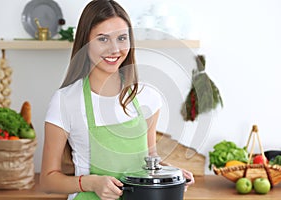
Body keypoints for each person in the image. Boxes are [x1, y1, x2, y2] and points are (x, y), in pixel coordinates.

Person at [40, 0, 194, 199]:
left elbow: (148, 159)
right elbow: (47, 180)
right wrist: (91, 182)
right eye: (103, 39)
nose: (114, 49)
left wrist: (170, 175)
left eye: (122, 38)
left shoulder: (147, 96)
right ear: (85, 43)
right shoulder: (65, 101)